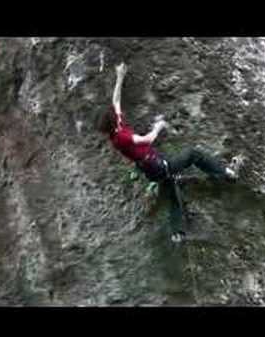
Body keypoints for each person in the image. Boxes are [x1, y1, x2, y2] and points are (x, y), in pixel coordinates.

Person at [97, 63, 242, 242]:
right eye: (117, 117)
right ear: (115, 124)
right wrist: (158, 127)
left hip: (150, 170)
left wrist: (120, 77)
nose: (120, 114)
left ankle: (177, 234)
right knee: (194, 155)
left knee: (171, 191)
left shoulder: (115, 132)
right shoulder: (123, 137)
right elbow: (147, 140)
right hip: (157, 165)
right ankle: (227, 172)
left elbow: (116, 101)